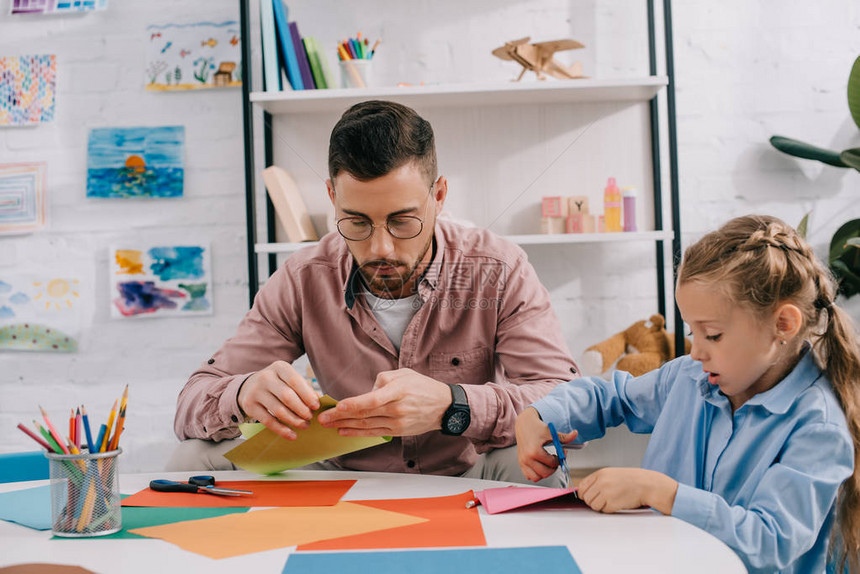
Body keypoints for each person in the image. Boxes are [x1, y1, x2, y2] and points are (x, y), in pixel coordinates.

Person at [169, 100, 578, 485]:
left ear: (438, 197)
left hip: (466, 470)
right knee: (192, 460)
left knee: (540, 460)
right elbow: (191, 403)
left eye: (402, 221)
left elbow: (566, 401)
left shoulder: (499, 269)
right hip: (341, 474)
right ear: (332, 197)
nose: (380, 248)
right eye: (357, 222)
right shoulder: (302, 277)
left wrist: (452, 407)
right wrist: (243, 394)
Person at [516, 215, 860, 573]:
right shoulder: (688, 377)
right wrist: (540, 415)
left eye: (712, 335)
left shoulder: (818, 427)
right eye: (692, 332)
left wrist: (661, 493)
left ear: (783, 325)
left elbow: (769, 541)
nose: (696, 351)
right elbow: (611, 399)